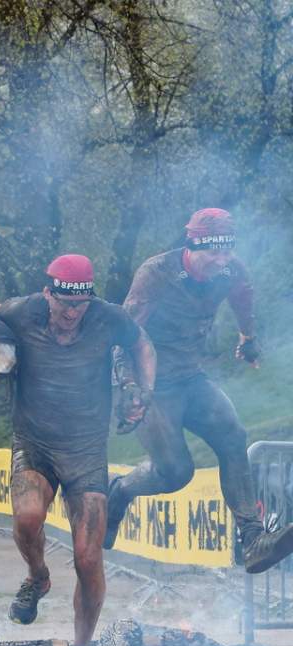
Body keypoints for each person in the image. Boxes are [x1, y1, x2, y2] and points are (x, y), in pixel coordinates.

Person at [0, 254, 155, 646]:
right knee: (28, 518)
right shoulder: (22, 311)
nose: (72, 314)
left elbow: (142, 343)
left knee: (88, 558)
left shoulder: (107, 317)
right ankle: (37, 576)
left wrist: (144, 390)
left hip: (86, 451)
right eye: (65, 304)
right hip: (34, 443)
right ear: (48, 294)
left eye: (81, 305)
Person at [106, 208, 293, 573]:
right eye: (213, 252)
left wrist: (248, 339)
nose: (221, 260)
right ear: (191, 245)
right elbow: (123, 337)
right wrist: (129, 386)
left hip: (190, 377)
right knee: (177, 472)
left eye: (228, 251)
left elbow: (243, 298)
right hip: (149, 382)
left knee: (232, 435)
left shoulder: (231, 269)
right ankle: (120, 491)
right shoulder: (156, 274)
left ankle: (252, 540)